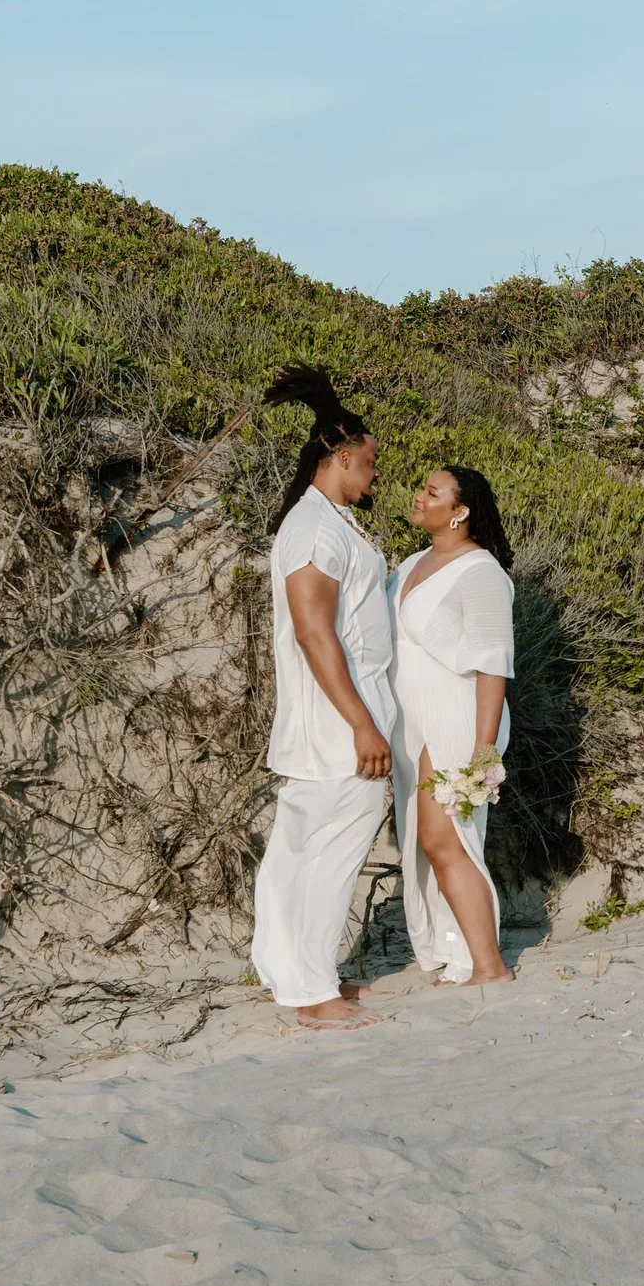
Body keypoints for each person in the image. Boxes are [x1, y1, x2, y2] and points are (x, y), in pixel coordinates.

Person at [249, 365, 397, 1029]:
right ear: (340, 456)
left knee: (299, 851)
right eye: (369, 462)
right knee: (332, 852)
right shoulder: (313, 529)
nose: (375, 474)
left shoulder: (330, 522)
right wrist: (363, 724)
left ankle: (289, 972)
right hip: (338, 721)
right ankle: (312, 992)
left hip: (334, 717)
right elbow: (314, 633)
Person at [390, 465, 517, 985]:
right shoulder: (412, 562)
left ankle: (489, 967)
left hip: (459, 717)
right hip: (413, 717)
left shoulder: (481, 572)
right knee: (427, 840)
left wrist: (483, 751)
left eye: (432, 492)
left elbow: (494, 665)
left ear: (459, 512)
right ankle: (454, 953)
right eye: (421, 486)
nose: (418, 496)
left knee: (447, 840)